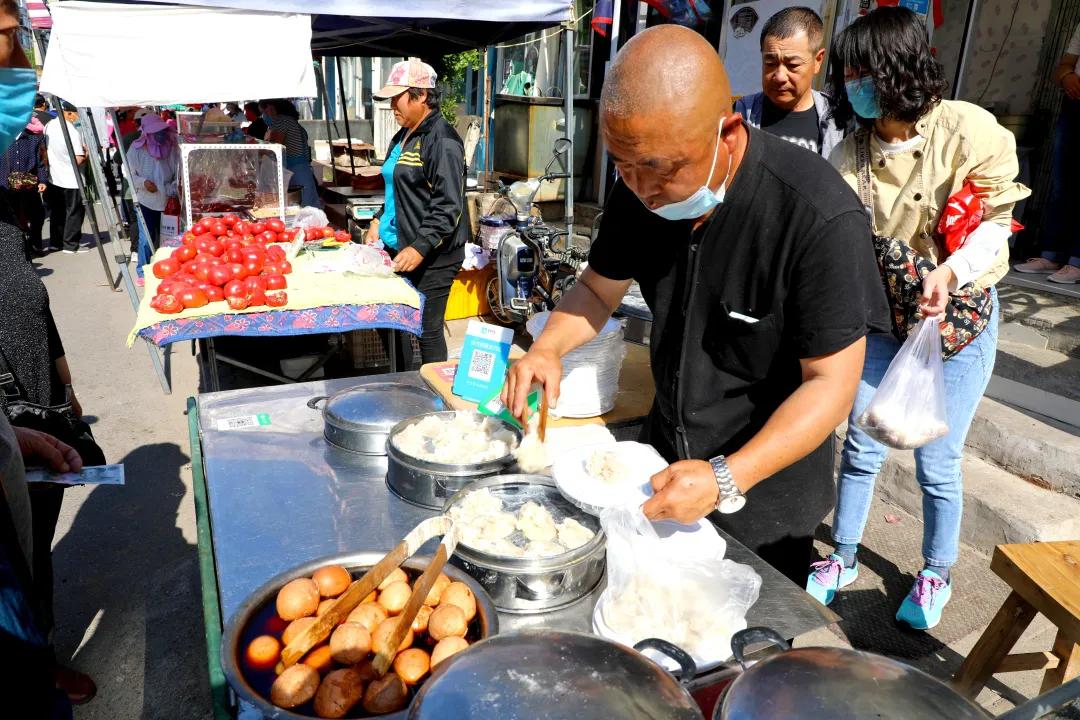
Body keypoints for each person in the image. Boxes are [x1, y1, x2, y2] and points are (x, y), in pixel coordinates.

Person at [504, 26, 890, 584]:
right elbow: (596, 289)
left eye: (659, 168)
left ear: (728, 134)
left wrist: (726, 478)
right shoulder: (639, 187)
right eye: (623, 167)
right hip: (661, 467)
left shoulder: (817, 216)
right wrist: (547, 347)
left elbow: (831, 383)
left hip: (762, 501)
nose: (641, 189)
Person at [814, 7, 1030, 629]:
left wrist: (951, 271)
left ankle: (935, 572)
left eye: (864, 69)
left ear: (898, 68)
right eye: (848, 70)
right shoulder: (849, 152)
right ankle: (844, 556)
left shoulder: (969, 130)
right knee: (860, 441)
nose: (853, 81)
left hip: (958, 325)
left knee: (937, 459)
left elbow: (993, 224)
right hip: (886, 321)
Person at [364, 58, 470, 368]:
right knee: (390, 318)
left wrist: (419, 247)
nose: (391, 105)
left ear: (421, 95)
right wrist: (377, 218)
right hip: (399, 246)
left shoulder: (443, 141)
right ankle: (407, 377)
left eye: (397, 97)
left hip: (435, 255)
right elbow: (395, 185)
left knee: (427, 328)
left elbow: (449, 206)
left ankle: (434, 392)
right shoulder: (403, 135)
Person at [1013, 25, 1080, 283]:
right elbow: (1065, 65)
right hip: (1074, 106)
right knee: (1061, 184)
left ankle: (1076, 260)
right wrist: (1066, 77)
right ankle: (1051, 255)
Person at [734, 7, 846, 157]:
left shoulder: (838, 122)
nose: (780, 76)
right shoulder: (739, 115)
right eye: (770, 63)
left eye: (793, 65)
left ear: (818, 61)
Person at [127, 113, 180, 283]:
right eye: (156, 132)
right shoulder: (135, 149)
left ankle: (167, 268)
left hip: (168, 200)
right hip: (146, 200)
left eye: (162, 131)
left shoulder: (171, 147)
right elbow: (128, 174)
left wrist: (172, 188)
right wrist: (143, 183)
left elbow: (177, 173)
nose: (160, 135)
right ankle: (142, 271)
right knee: (146, 238)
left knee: (169, 238)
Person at [0, 115, 48, 257]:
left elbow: (39, 163)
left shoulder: (33, 139)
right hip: (5, 186)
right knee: (13, 219)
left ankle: (35, 245)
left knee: (37, 215)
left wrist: (43, 181)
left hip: (28, 185)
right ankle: (17, 249)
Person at [261, 99, 321, 208]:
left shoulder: (282, 121)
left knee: (300, 206)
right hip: (302, 168)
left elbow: (274, 145)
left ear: (270, 107)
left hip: (295, 170)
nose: (263, 116)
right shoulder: (291, 121)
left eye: (264, 112)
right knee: (307, 203)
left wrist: (260, 151)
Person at [44, 102, 87, 254]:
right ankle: (70, 244)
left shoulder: (48, 126)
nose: (77, 118)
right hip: (71, 178)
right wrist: (86, 153)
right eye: (76, 114)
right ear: (69, 113)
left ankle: (55, 243)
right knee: (74, 211)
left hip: (54, 176)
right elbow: (78, 158)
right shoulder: (71, 131)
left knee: (57, 211)